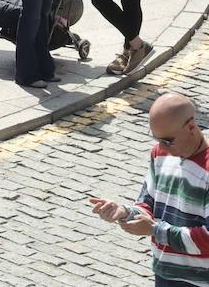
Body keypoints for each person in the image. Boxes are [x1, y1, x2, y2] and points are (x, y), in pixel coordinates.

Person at [90, 91, 209, 287]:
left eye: (168, 140)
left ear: (191, 127)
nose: (163, 147)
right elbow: (148, 202)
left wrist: (156, 230)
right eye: (157, 139)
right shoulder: (160, 154)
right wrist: (124, 212)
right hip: (165, 274)